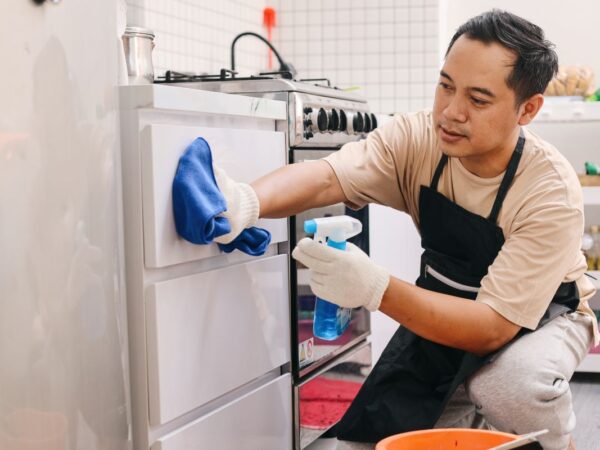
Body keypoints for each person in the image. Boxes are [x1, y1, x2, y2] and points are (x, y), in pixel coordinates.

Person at [211, 10, 598, 450]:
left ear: (527, 109)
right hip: (444, 304)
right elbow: (328, 176)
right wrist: (247, 201)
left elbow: (492, 327)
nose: (451, 113)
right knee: (370, 439)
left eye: (478, 99)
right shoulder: (418, 139)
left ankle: (559, 444)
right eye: (446, 85)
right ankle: (474, 421)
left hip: (544, 318)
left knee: (508, 387)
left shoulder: (550, 191)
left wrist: (376, 288)